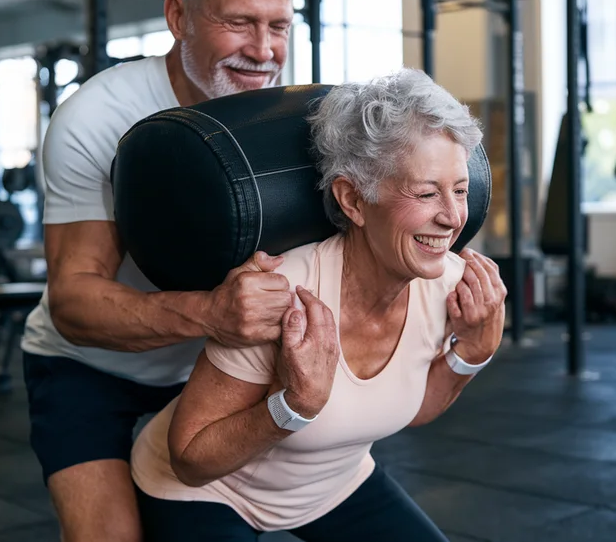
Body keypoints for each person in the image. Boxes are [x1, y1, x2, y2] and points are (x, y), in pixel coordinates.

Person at [130, 69, 508, 542]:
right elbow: (190, 460)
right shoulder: (283, 294)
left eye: (459, 189)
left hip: (333, 488)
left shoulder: (447, 283)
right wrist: (293, 405)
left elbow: (414, 409)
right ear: (352, 198)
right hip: (210, 491)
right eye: (427, 192)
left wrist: (472, 351)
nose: (453, 218)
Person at [21, 0, 299, 540]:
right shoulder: (98, 118)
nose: (263, 50)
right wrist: (212, 314)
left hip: (214, 371)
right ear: (178, 15)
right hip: (86, 368)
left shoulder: (287, 109)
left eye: (278, 26)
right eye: (238, 22)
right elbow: (73, 300)